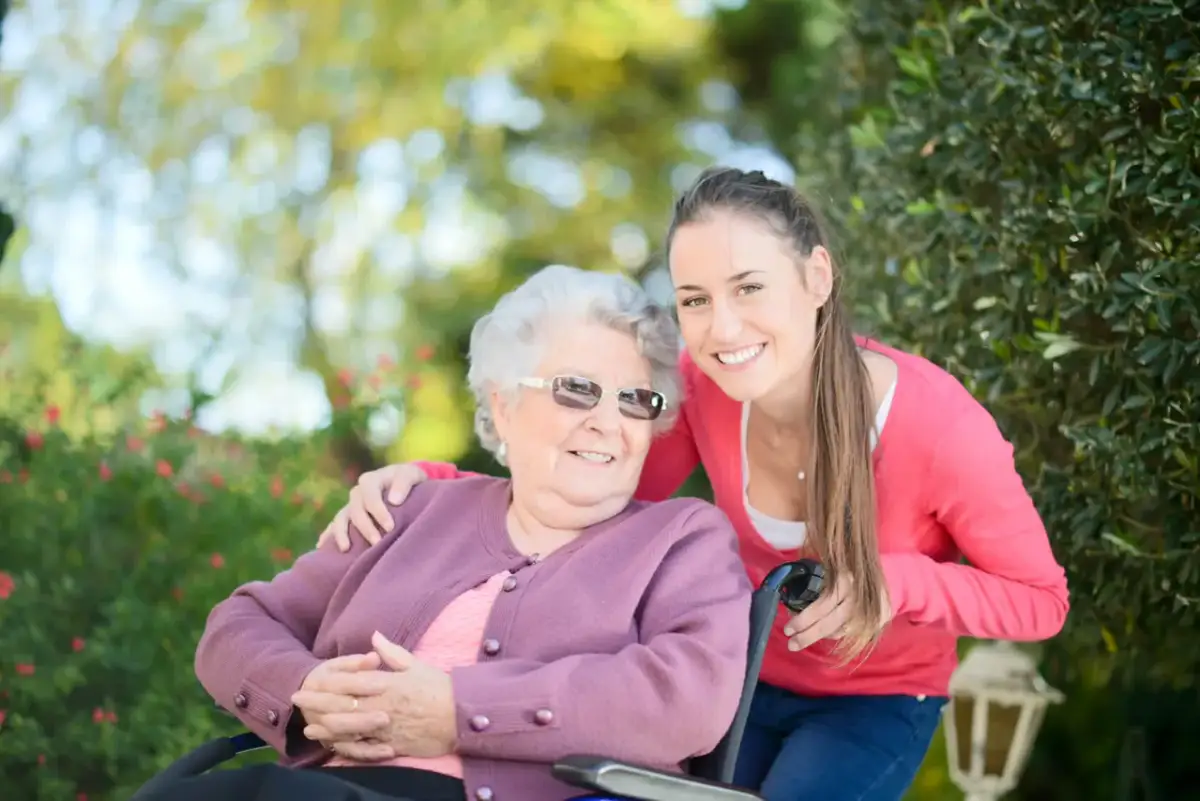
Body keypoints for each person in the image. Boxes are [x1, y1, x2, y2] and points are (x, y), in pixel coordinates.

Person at [318, 168, 1071, 801]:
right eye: (695, 300)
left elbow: (1040, 599)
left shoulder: (939, 426)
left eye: (748, 288)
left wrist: (891, 582)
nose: (722, 327)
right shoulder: (701, 388)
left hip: (872, 702)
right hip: (729, 681)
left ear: (817, 277)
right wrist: (430, 483)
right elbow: (588, 484)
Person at [157, 265, 752, 801]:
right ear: (506, 402)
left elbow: (688, 697)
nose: (606, 422)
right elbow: (238, 625)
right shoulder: (411, 510)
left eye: (635, 400)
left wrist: (460, 711)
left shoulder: (681, 538)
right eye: (577, 390)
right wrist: (303, 687)